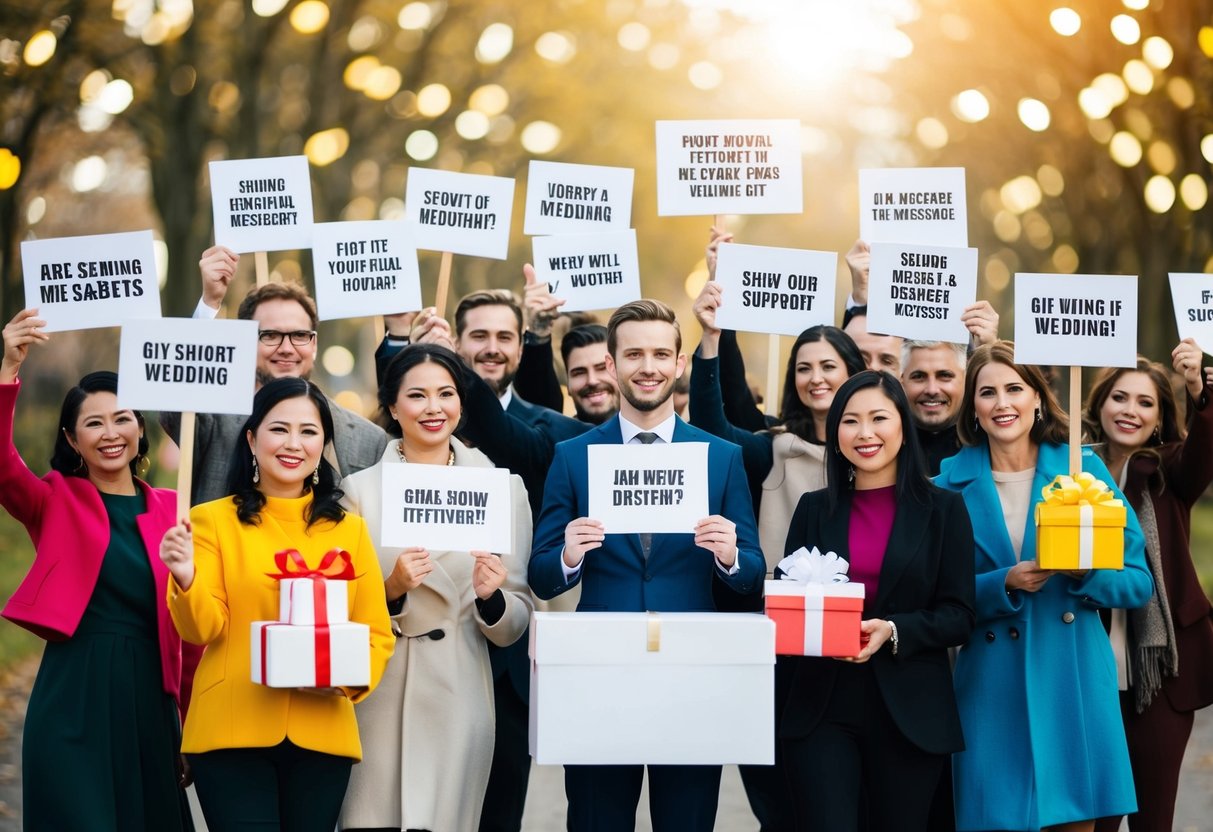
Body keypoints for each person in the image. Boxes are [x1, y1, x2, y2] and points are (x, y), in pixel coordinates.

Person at [529, 299, 765, 832]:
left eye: (661, 353)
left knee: (686, 821)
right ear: (611, 365)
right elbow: (541, 572)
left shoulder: (720, 457)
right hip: (599, 675)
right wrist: (568, 554)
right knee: (595, 820)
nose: (648, 366)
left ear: (680, 364)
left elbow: (753, 570)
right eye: (634, 353)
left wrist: (730, 555)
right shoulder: (574, 456)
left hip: (690, 675)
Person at [934, 341, 1154, 832]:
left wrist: (1086, 575)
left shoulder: (1084, 472)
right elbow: (931, 595)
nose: (1002, 402)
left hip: (1071, 679)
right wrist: (1001, 584)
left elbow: (1138, 583)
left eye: (1015, 388)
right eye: (987, 392)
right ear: (973, 406)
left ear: (1038, 397)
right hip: (989, 690)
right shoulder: (944, 485)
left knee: (1071, 820)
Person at [159, 377, 394, 831]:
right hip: (230, 730)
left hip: (323, 730)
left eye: (309, 432)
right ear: (251, 438)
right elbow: (202, 629)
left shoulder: (351, 530)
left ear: (324, 443)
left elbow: (376, 634)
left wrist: (345, 680)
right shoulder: (210, 520)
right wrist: (185, 577)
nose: (293, 444)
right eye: (278, 429)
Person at [0, 308, 192, 831]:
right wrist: (7, 371)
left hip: (151, 700)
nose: (110, 433)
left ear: (139, 428)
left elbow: (193, 627)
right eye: (94, 422)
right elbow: (3, 466)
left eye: (122, 417)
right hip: (73, 697)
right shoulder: (54, 500)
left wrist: (192, 727)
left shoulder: (177, 509)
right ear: (71, 438)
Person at [338, 344, 533, 832]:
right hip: (375, 697)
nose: (433, 408)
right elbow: (340, 605)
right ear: (393, 406)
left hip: (458, 694)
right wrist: (392, 588)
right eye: (417, 395)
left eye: (445, 394)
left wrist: (492, 599)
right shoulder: (358, 491)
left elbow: (517, 619)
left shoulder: (501, 490)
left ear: (462, 404)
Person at [780, 370, 976, 831]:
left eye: (878, 419)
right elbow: (789, 599)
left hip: (909, 712)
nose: (865, 434)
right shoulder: (813, 507)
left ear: (903, 428)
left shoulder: (944, 509)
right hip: (821, 709)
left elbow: (960, 615)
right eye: (850, 421)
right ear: (836, 434)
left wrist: (894, 629)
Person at [1086, 341, 1213, 832]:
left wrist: (1199, 391)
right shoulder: (1069, 468)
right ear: (1100, 404)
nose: (1130, 411)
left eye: (1145, 402)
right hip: (1087, 662)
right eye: (1120, 397)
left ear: (1160, 417)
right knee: (1094, 817)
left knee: (1151, 818)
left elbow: (1203, 455)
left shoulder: (1170, 470)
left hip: (1158, 671)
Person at [162, 247, 388, 505]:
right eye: (269, 335)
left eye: (300, 335)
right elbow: (174, 402)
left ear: (314, 345)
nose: (286, 348)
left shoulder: (369, 438)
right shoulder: (212, 421)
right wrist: (209, 304)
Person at [691, 279, 866, 566]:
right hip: (781, 600)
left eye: (829, 366)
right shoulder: (775, 447)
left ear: (853, 372)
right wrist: (711, 339)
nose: (816, 378)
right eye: (803, 368)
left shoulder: (876, 449)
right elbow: (712, 430)